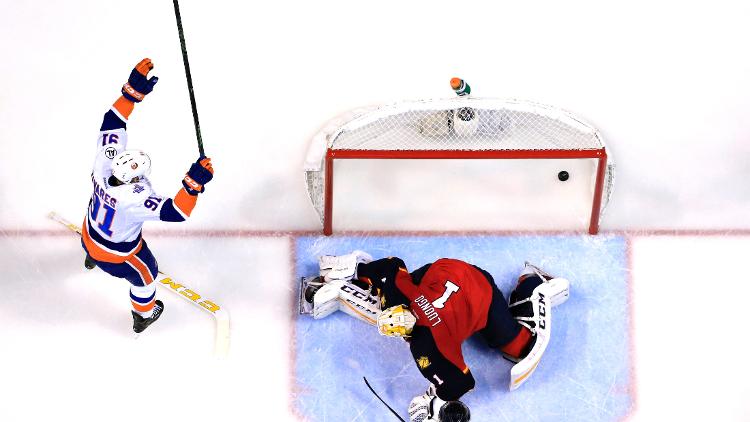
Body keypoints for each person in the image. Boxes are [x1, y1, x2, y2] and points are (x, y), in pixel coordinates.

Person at [314, 252, 569, 422]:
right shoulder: (398, 299)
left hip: (480, 289)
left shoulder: (431, 346)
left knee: (519, 347)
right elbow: (389, 266)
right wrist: (357, 269)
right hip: (449, 270)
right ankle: (354, 273)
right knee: (402, 280)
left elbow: (462, 383)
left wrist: (433, 403)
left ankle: (532, 282)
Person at [81, 58, 214, 334]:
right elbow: (177, 212)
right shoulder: (134, 198)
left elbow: (112, 120)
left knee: (92, 224)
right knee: (146, 275)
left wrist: (131, 93)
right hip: (116, 254)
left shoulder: (104, 162)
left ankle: (89, 256)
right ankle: (144, 315)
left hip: (89, 233)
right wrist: (192, 185)